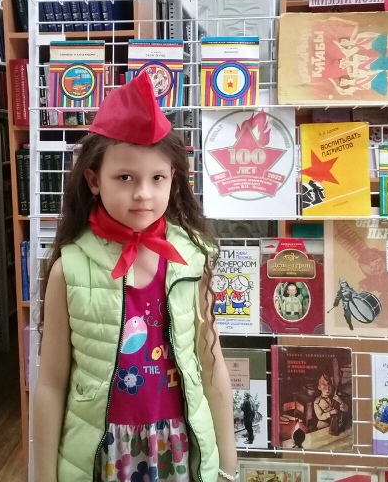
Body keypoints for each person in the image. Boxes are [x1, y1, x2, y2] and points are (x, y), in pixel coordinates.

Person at [33, 70, 238, 482]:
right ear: (94, 180)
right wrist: (42, 477)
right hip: (104, 455)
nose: (143, 193)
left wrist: (229, 466)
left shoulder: (190, 259)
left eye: (157, 178)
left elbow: (211, 363)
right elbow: (52, 383)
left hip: (179, 449)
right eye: (125, 177)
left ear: (173, 179)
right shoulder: (70, 269)